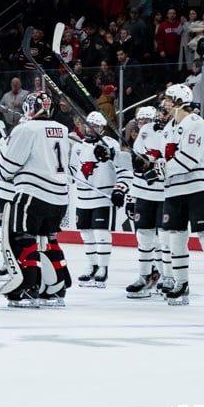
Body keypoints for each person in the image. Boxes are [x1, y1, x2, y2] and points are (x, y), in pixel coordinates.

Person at [0, 90, 72, 308]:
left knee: (22, 238)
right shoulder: (62, 129)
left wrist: (4, 148)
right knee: (49, 239)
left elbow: (7, 169)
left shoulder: (25, 129)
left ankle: (28, 288)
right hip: (60, 197)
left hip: (33, 194)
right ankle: (56, 289)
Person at [157, 84, 204, 306]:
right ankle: (181, 283)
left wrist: (162, 170)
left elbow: (189, 159)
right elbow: (163, 159)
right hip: (174, 190)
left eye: (169, 99)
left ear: (180, 101)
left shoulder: (196, 123)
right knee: (176, 237)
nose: (165, 103)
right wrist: (149, 165)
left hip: (197, 187)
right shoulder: (167, 128)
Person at [71, 112, 129, 288]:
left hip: (103, 196)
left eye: (95, 126)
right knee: (86, 233)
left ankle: (103, 268)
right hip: (83, 196)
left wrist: (120, 189)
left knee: (101, 233)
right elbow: (73, 170)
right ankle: (92, 266)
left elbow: (123, 168)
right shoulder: (78, 146)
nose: (91, 129)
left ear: (102, 128)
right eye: (89, 125)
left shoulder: (110, 144)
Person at [123, 105, 169, 298]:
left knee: (164, 238)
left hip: (164, 193)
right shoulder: (144, 132)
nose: (143, 123)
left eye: (147, 119)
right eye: (140, 120)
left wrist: (156, 169)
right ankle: (144, 276)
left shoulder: (172, 131)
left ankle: (168, 277)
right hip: (143, 193)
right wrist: (131, 196)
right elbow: (137, 164)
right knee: (143, 236)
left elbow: (172, 160)